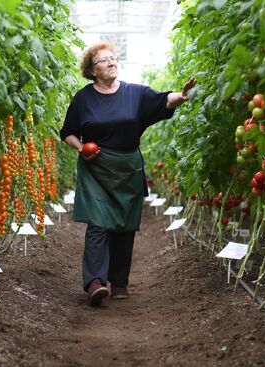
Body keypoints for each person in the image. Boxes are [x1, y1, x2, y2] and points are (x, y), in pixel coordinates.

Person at [59, 41, 196, 306]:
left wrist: (180, 96)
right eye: (104, 60)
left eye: (113, 58)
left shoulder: (135, 94)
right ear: (92, 70)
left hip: (127, 167)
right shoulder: (83, 98)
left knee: (125, 225)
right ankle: (95, 283)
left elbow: (162, 101)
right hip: (96, 167)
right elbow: (68, 132)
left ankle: (119, 282)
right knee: (98, 223)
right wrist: (80, 149)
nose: (112, 62)